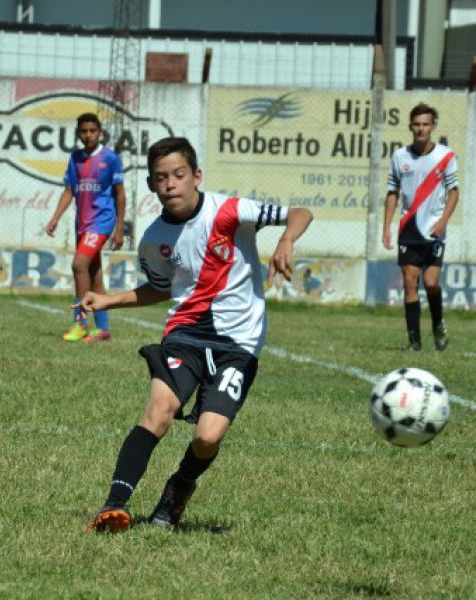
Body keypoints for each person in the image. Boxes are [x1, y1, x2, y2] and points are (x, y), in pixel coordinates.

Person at [79, 137, 313, 532]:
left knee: (208, 437)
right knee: (158, 411)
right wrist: (109, 300)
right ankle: (114, 505)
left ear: (196, 176)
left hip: (238, 345)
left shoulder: (229, 211)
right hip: (185, 334)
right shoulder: (154, 239)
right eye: (160, 178)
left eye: (179, 175)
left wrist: (286, 239)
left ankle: (178, 489)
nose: (170, 184)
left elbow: (300, 212)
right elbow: (162, 288)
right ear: (153, 186)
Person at [382, 103, 459, 352]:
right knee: (410, 282)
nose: (421, 129)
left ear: (433, 126)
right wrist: (386, 227)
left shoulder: (446, 156)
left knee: (431, 282)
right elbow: (392, 193)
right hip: (408, 230)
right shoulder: (399, 157)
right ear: (410, 126)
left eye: (426, 124)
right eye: (416, 124)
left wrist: (443, 221)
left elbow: (454, 193)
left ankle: (438, 323)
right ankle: (414, 342)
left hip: (434, 230)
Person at [45, 113, 126, 342]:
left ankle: (79, 323)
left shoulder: (110, 158)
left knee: (79, 264)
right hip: (82, 223)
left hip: (102, 221)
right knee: (93, 273)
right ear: (79, 133)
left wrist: (119, 228)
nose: (88, 135)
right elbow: (69, 190)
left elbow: (120, 194)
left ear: (100, 132)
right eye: (83, 131)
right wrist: (55, 218)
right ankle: (103, 329)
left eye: (92, 131)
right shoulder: (75, 158)